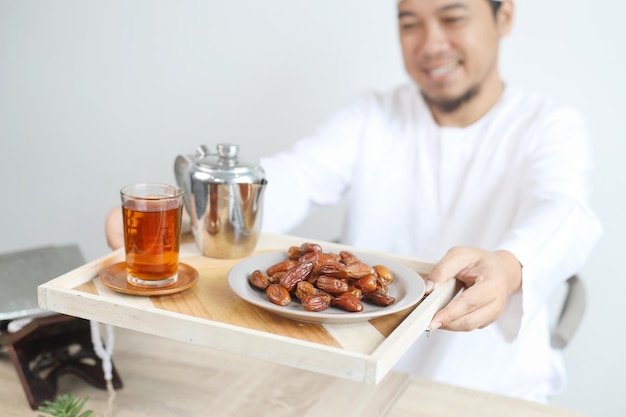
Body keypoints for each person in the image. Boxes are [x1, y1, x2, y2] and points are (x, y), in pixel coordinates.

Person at [105, 0, 601, 403]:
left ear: (503, 16)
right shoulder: (374, 115)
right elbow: (296, 174)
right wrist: (206, 213)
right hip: (359, 375)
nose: (431, 43)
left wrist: (510, 264)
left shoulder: (549, 124)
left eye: (452, 17)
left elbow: (565, 211)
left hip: (487, 388)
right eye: (410, 23)